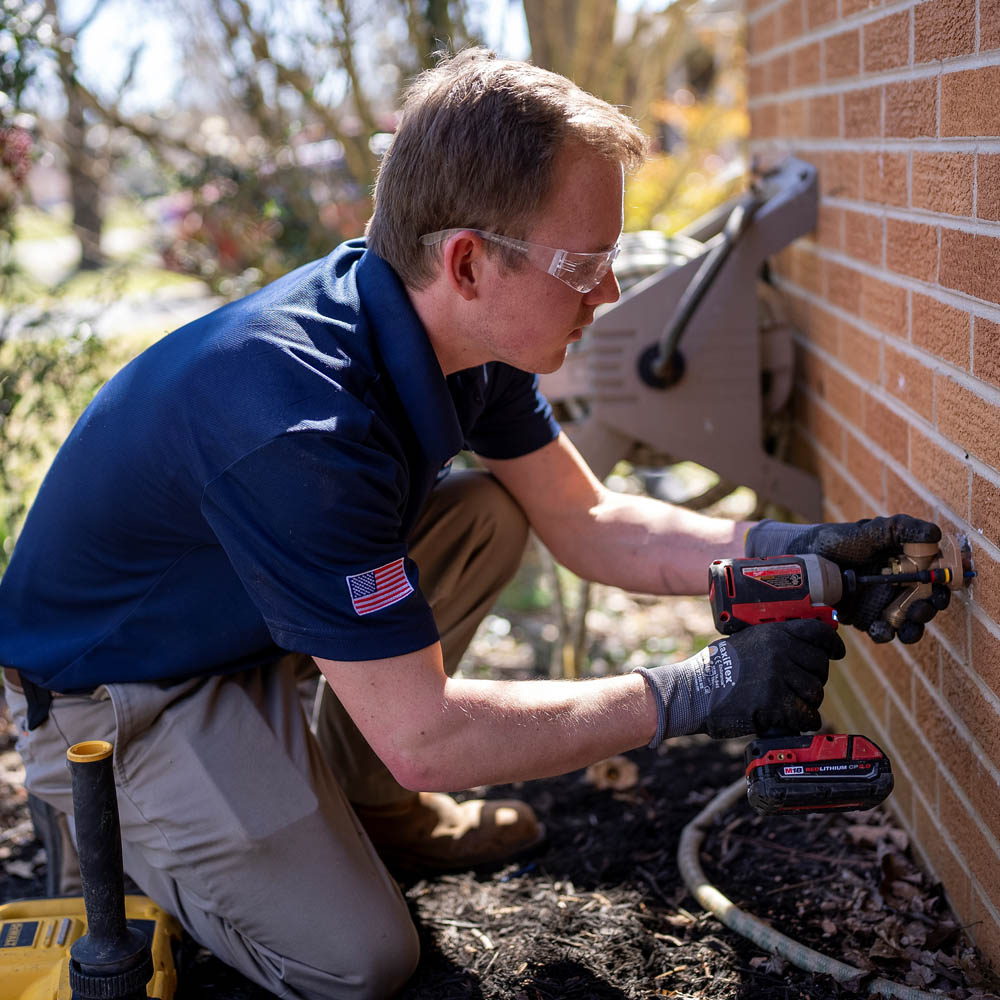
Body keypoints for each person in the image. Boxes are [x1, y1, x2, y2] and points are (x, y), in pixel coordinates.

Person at [0, 49, 948, 999]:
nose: (610, 292)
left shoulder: (459, 339)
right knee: (360, 959)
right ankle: (107, 825)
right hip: (124, 692)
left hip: (243, 612)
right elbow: (430, 735)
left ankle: (369, 811)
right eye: (586, 263)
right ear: (466, 260)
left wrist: (793, 551)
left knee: (490, 515)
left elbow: (589, 520)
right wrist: (698, 691)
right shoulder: (300, 427)